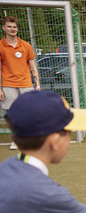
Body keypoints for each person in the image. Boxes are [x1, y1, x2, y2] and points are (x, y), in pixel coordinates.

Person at [0, 16, 40, 150]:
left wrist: (37, 84)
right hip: (7, 84)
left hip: (26, 84)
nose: (12, 29)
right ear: (4, 28)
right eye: (9, 26)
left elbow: (33, 66)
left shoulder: (26, 45)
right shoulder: (0, 46)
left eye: (14, 27)